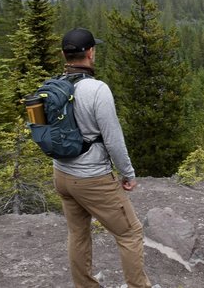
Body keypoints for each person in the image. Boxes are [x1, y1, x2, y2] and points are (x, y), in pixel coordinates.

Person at [53, 28, 152, 288]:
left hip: (61, 175)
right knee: (130, 233)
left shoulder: (54, 87)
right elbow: (114, 140)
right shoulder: (97, 90)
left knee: (77, 234)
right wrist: (127, 174)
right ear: (90, 53)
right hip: (91, 178)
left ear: (65, 55)